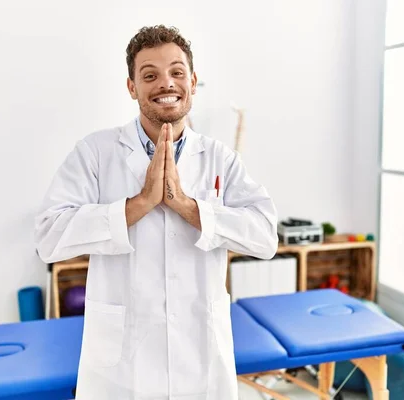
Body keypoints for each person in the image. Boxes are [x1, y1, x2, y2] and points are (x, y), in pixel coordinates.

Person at [34, 25, 278, 400]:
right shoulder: (96, 153)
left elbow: (265, 237)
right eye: (150, 75)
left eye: (177, 72)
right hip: (122, 369)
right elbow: (49, 238)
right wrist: (139, 205)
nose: (166, 83)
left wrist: (187, 206)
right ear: (132, 87)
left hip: (201, 360)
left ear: (192, 82)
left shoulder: (220, 158)